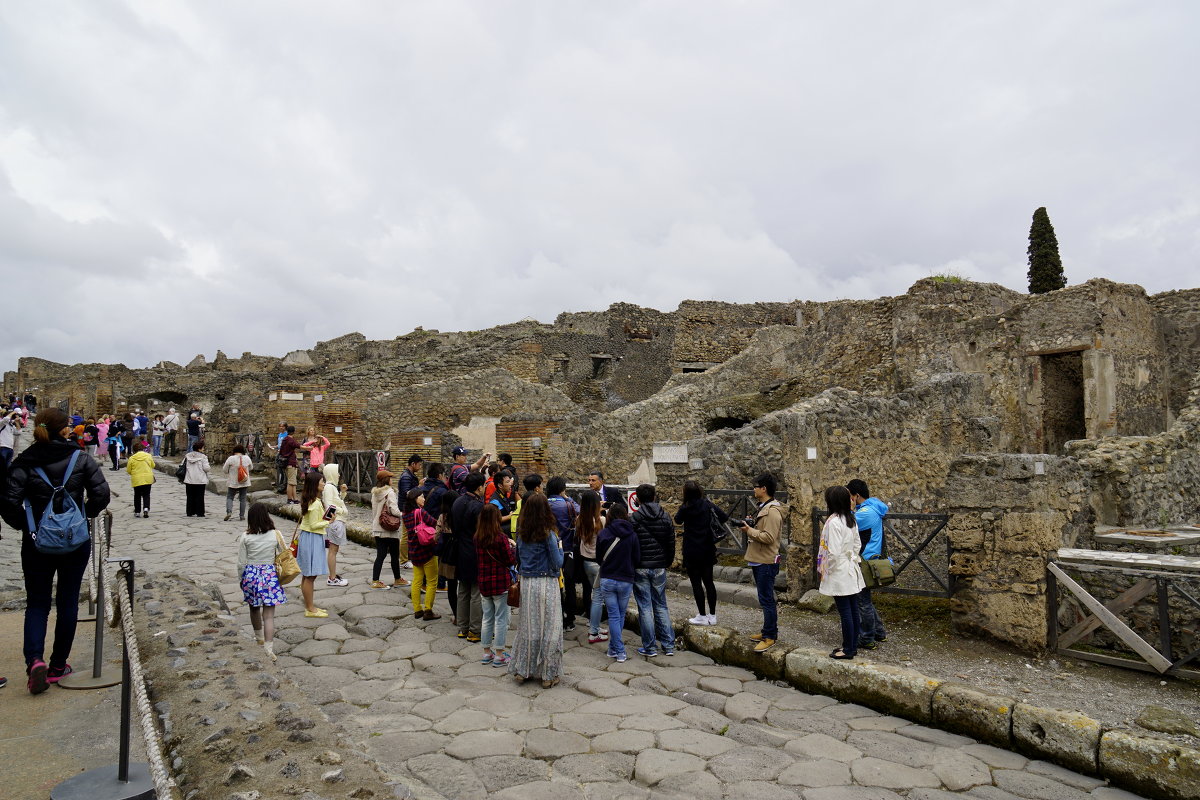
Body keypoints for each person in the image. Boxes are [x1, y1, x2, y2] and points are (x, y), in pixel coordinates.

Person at [0, 408, 111, 693]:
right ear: (65, 430)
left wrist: (28, 527)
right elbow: (101, 494)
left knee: (37, 604)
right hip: (75, 541)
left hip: (38, 541)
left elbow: (9, 503)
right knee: (68, 601)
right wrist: (84, 516)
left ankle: (34, 661)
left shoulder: (24, 462)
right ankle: (58, 666)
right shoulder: (81, 458)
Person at [508, 493, 565, 686]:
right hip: (547, 583)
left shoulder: (522, 533)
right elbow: (558, 563)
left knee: (529, 628)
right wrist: (561, 549)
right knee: (551, 628)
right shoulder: (548, 533)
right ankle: (548, 675)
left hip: (528, 583)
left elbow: (518, 559)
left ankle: (523, 670)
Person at [740, 472, 786, 653]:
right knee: (764, 598)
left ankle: (770, 637)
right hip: (760, 559)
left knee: (767, 600)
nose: (753, 489)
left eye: (755, 486)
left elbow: (769, 537)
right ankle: (767, 631)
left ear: (764, 489)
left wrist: (749, 531)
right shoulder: (764, 507)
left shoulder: (773, 511)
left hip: (766, 560)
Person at [629, 483, 676, 657]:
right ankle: (668, 645)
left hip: (640, 566)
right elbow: (671, 542)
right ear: (655, 496)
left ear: (638, 499)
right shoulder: (665, 516)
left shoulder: (634, 518)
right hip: (659, 566)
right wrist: (668, 561)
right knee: (661, 605)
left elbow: (630, 543)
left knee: (645, 607)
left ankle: (649, 647)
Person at [819, 485, 866, 659]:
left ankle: (848, 649)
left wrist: (828, 569)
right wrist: (852, 558)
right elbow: (857, 545)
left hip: (839, 571)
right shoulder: (850, 519)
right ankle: (851, 646)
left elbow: (833, 552)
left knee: (845, 611)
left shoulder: (833, 522)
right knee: (853, 609)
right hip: (850, 568)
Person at [675, 480, 729, 626]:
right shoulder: (706, 504)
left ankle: (702, 615)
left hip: (692, 549)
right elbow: (724, 517)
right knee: (709, 582)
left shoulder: (685, 508)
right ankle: (713, 615)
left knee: (696, 584)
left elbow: (677, 520)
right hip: (706, 548)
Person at [237, 502, 287, 661]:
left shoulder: (245, 536)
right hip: (270, 575)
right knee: (269, 616)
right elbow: (284, 554)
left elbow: (241, 563)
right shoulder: (275, 534)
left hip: (251, 574)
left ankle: (258, 637)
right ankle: (268, 648)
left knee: (253, 608)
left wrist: (241, 579)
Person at [848, 478, 890, 650]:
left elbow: (847, 526)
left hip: (865, 560)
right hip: (870, 558)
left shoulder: (865, 513)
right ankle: (878, 632)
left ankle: (867, 638)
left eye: (849, 496)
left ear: (856, 496)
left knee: (862, 601)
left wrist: (850, 510)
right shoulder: (872, 508)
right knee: (865, 599)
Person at [596, 502, 639, 662]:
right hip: (626, 578)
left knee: (614, 615)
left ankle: (616, 650)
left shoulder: (604, 533)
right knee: (620, 615)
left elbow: (599, 557)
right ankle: (617, 649)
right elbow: (637, 558)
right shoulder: (632, 534)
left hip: (608, 578)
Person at [475, 504, 516, 667]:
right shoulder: (500, 538)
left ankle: (486, 652)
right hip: (500, 582)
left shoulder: (477, 537)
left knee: (487, 618)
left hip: (484, 582)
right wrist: (512, 546)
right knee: (500, 619)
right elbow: (510, 560)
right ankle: (499, 654)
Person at [450, 472, 486, 641]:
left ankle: (462, 627)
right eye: (483, 486)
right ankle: (475, 629)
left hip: (459, 549)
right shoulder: (477, 506)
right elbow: (481, 532)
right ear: (479, 487)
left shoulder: (457, 501)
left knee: (463, 590)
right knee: (476, 592)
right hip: (474, 550)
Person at [546, 476, 581, 631]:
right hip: (567, 548)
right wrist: (567, 497)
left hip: (549, 549)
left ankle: (556, 616)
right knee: (569, 584)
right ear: (562, 489)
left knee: (554, 584)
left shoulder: (543, 504)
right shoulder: (567, 504)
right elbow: (580, 510)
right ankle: (570, 618)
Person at [576, 489, 609, 644]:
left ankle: (594, 624)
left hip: (586, 561)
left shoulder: (579, 519)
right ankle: (593, 632)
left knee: (593, 594)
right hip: (598, 562)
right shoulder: (600, 520)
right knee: (598, 597)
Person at [296, 471, 330, 617]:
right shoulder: (315, 503)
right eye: (322, 481)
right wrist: (329, 521)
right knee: (310, 575)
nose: (323, 483)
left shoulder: (309, 500)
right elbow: (315, 524)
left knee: (307, 574)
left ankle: (309, 605)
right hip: (312, 538)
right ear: (315, 484)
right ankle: (310, 608)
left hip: (307, 537)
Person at [402, 487, 438, 617]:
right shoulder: (420, 512)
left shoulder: (405, 514)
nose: (423, 498)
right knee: (432, 581)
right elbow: (434, 523)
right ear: (415, 499)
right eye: (421, 496)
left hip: (414, 551)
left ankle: (417, 609)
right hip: (426, 550)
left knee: (417, 580)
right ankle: (428, 610)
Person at [370, 470, 403, 590]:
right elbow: (393, 510)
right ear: (386, 480)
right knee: (394, 555)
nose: (392, 480)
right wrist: (402, 514)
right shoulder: (390, 492)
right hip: (389, 528)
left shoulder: (375, 494)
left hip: (378, 527)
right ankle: (398, 579)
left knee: (381, 555)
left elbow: (374, 511)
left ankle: (375, 580)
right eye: (391, 478)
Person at [321, 463, 350, 587]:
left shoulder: (332, 487)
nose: (338, 474)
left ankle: (333, 575)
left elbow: (336, 501)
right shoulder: (329, 487)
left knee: (334, 549)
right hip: (335, 521)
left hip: (337, 521)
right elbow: (329, 505)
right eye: (336, 472)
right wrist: (342, 511)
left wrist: (342, 493)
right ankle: (332, 578)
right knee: (333, 550)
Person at [278, 426, 309, 504]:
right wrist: (309, 448)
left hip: (287, 463)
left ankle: (294, 498)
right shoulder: (290, 440)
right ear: (294, 431)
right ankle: (289, 499)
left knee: (293, 482)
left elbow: (281, 452)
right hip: (290, 463)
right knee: (290, 482)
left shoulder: (284, 440)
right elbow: (299, 446)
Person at [125, 441, 155, 518]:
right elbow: (153, 465)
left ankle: (137, 511)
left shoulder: (132, 458)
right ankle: (146, 508)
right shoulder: (148, 456)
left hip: (137, 478)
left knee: (137, 495)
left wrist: (134, 473)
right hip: (147, 478)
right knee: (146, 494)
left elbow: (128, 470)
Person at [223, 444, 253, 521]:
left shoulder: (231, 458)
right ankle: (242, 515)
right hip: (244, 481)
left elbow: (225, 470)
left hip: (233, 482)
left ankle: (229, 512)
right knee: (242, 498)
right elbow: (251, 467)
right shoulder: (247, 458)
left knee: (230, 497)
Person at [183, 439, 211, 517]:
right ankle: (200, 512)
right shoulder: (203, 457)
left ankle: (190, 511)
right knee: (200, 496)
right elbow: (206, 468)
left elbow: (182, 465)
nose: (203, 449)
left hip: (189, 479)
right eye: (202, 448)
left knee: (190, 496)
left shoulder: (188, 456)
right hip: (200, 479)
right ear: (199, 449)